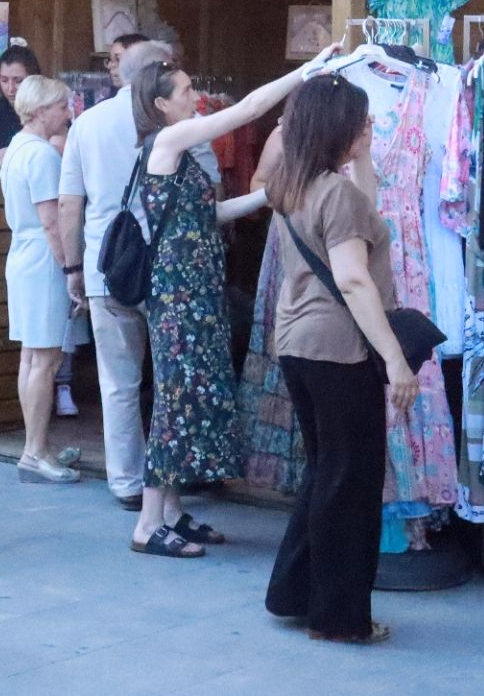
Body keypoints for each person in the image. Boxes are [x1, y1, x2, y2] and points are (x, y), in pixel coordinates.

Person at [126, 43, 339, 558]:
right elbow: (245, 111)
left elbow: (210, 216)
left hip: (193, 290)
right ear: (161, 104)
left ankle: (171, 512)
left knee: (189, 394)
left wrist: (270, 195)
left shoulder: (173, 151)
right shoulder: (168, 140)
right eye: (185, 90)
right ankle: (148, 521)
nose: (195, 95)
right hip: (178, 293)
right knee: (176, 399)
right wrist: (304, 73)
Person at [262, 75, 419, 641]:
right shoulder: (335, 194)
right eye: (361, 122)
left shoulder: (294, 185)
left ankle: (295, 591)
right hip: (340, 349)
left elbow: (362, 214)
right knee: (350, 484)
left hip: (299, 343)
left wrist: (366, 157)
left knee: (327, 472)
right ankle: (339, 616)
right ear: (341, 128)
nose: (366, 128)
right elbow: (354, 278)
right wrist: (396, 360)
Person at [56, 38, 223, 511]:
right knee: (177, 377)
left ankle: (127, 481)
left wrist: (73, 266)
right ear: (158, 77)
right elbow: (211, 191)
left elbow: (71, 203)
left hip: (108, 266)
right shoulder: (184, 126)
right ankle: (174, 477)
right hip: (171, 267)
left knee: (118, 381)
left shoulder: (85, 124)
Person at [4, 74, 83, 484]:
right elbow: (52, 222)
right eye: (60, 105)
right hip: (41, 258)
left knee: (33, 356)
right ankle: (35, 451)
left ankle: (36, 447)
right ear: (39, 110)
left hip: (21, 254)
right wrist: (72, 269)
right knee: (46, 358)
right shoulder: (43, 156)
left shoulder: (18, 148)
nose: (66, 112)